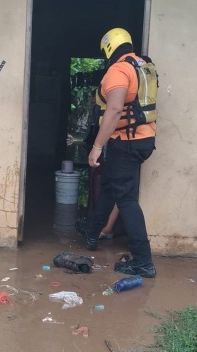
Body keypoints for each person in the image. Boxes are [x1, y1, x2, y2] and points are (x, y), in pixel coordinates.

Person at [77, 27, 157, 278]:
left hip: (126, 141)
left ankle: (143, 261)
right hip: (143, 139)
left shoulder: (119, 70)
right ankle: (92, 232)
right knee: (112, 186)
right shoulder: (144, 66)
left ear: (110, 48)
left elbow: (113, 110)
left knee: (126, 199)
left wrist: (97, 147)